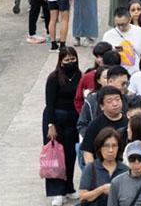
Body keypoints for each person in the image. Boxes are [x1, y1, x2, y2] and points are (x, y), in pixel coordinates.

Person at [43, 46, 82, 206]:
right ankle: (57, 191)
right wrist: (51, 124)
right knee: (55, 155)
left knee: (70, 154)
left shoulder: (80, 76)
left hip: (73, 118)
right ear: (61, 61)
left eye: (73, 59)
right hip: (56, 118)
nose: (70, 62)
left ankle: (68, 187)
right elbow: (49, 103)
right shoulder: (54, 77)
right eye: (67, 60)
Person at [81, 86, 129, 165]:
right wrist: (92, 170)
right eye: (109, 101)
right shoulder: (94, 125)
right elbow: (87, 152)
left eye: (117, 99)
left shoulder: (129, 122)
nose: (115, 104)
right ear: (102, 106)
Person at [78, 127, 126, 206]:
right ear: (100, 148)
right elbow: (82, 196)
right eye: (106, 146)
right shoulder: (91, 168)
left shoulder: (125, 170)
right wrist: (101, 190)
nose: (111, 150)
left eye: (114, 146)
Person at [102, 8, 141, 72]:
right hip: (116, 73)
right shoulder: (108, 35)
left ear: (130, 19)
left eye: (123, 24)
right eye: (118, 24)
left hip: (137, 72)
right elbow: (104, 57)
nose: (121, 27)